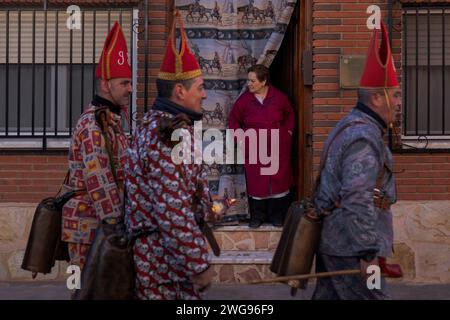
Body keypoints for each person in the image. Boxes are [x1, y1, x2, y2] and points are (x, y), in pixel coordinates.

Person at [124, 13, 214, 300]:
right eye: (200, 88)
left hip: (163, 264)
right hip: (165, 269)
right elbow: (172, 209)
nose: (205, 95)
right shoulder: (169, 134)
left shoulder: (157, 126)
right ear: (179, 91)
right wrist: (199, 264)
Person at [311, 20, 401, 300]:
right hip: (350, 248)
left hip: (338, 243)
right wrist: (368, 253)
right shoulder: (363, 136)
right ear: (377, 97)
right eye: (395, 95)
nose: (399, 103)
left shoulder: (353, 125)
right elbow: (356, 197)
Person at [61, 21, 132, 269]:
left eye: (130, 83)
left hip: (99, 227)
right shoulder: (93, 125)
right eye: (124, 83)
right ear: (105, 84)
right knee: (86, 292)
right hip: (89, 227)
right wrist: (116, 227)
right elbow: (100, 181)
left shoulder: (111, 120)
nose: (130, 89)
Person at [228, 64, 295, 228]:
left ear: (263, 81)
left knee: (278, 181)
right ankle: (257, 216)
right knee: (256, 181)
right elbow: (233, 120)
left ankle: (277, 216)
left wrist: (287, 134)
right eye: (248, 80)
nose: (249, 84)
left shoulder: (279, 98)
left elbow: (289, 115)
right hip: (254, 148)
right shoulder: (244, 100)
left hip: (277, 147)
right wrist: (242, 139)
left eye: (252, 80)